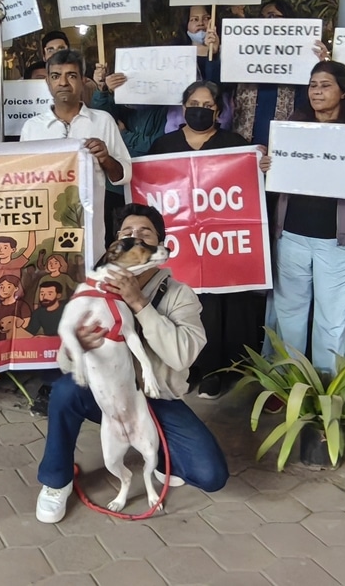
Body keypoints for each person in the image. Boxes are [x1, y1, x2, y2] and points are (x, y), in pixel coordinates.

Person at [35, 204, 229, 523]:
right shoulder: (94, 291)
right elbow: (65, 361)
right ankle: (57, 481)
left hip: (156, 402)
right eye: (126, 233)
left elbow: (183, 355)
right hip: (108, 394)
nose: (134, 237)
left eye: (144, 233)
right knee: (66, 390)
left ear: (159, 248)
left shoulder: (181, 296)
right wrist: (77, 347)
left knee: (210, 475)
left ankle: (161, 454)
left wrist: (139, 302)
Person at [267, 62, 345, 376]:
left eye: (325, 85)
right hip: (292, 236)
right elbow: (277, 179)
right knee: (288, 314)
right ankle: (286, 383)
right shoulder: (291, 126)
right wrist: (269, 165)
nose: (317, 91)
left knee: (334, 319)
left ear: (342, 91)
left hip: (340, 241)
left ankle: (328, 387)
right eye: (312, 85)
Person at [149, 81, 271, 398]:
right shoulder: (163, 146)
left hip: (220, 247)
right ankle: (186, 369)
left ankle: (216, 370)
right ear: (183, 105)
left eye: (207, 105)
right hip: (181, 246)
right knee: (182, 304)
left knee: (217, 306)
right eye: (193, 103)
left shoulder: (234, 145)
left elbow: (247, 190)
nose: (199, 109)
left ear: (217, 110)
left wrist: (258, 163)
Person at [21, 49, 132, 229]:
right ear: (47, 82)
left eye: (71, 76)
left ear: (83, 81)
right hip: (46, 220)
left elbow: (123, 176)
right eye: (56, 76)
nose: (63, 82)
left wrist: (105, 159)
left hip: (93, 221)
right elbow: (23, 179)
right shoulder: (32, 127)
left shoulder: (102, 120)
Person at [229, 0, 301, 151]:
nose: (265, 22)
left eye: (272, 16)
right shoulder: (244, 56)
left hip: (283, 148)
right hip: (244, 147)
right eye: (262, 17)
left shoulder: (299, 61)